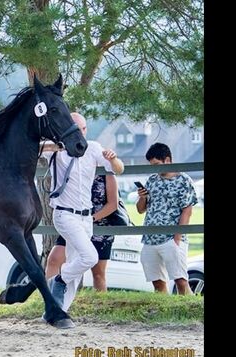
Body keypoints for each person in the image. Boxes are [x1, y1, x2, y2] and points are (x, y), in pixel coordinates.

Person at [47, 112, 124, 313]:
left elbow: (119, 169)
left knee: (76, 265)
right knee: (89, 257)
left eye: (83, 129)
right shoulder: (57, 151)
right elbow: (32, 147)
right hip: (64, 214)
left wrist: (114, 159)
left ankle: (56, 312)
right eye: (76, 129)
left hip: (85, 217)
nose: (80, 133)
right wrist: (55, 145)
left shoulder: (93, 148)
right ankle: (58, 279)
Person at [136, 142, 197, 295]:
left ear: (167, 160)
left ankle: (189, 312)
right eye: (152, 165)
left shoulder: (184, 180)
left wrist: (177, 238)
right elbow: (140, 210)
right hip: (150, 239)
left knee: (181, 281)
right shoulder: (152, 180)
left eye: (157, 164)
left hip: (172, 237)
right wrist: (142, 197)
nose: (154, 168)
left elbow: (187, 211)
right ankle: (164, 312)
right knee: (157, 282)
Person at [45, 172, 120, 291]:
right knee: (54, 259)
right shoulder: (75, 169)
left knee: (98, 274)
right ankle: (50, 296)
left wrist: (92, 218)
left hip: (99, 227)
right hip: (73, 223)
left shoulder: (106, 174)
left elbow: (113, 204)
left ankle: (101, 304)